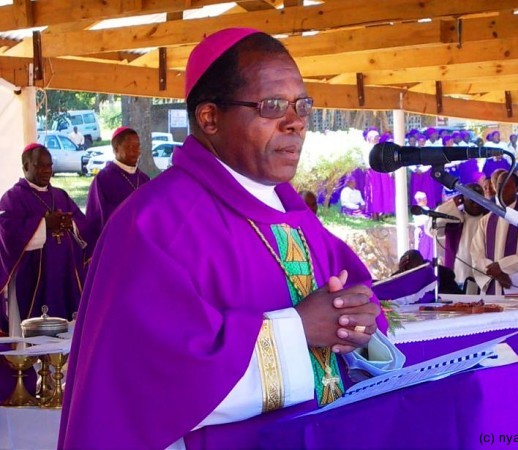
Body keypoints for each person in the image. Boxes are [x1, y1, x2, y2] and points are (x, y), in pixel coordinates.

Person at [59, 28, 402, 449]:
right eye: (272, 105)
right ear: (209, 118)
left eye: (302, 105)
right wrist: (298, 330)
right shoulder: (155, 223)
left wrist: (358, 331)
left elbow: (359, 323)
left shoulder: (296, 218)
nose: (295, 122)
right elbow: (141, 383)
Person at [0, 144, 88, 333]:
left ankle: (62, 361)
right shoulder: (13, 197)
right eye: (40, 165)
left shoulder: (60, 195)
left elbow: (83, 224)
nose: (47, 170)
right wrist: (43, 225)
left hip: (64, 274)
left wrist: (69, 224)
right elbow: (8, 234)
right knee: (34, 328)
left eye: (49, 165)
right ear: (25, 167)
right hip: (32, 277)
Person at [471, 172, 518, 294]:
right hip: (492, 285)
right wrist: (495, 272)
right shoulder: (485, 221)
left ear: (516, 188)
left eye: (507, 185)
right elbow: (476, 254)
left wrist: (501, 266)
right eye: (499, 185)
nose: (502, 189)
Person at [85, 126, 150, 255]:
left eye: (137, 146)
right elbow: (99, 220)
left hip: (143, 246)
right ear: (115, 150)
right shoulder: (103, 179)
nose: (135, 151)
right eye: (129, 147)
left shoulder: (144, 179)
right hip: (116, 248)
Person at [433, 183, 487, 288]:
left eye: (479, 198)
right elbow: (432, 230)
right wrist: (453, 204)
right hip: (457, 278)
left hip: (484, 279)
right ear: (463, 199)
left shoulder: (489, 218)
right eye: (472, 198)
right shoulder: (455, 218)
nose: (476, 202)